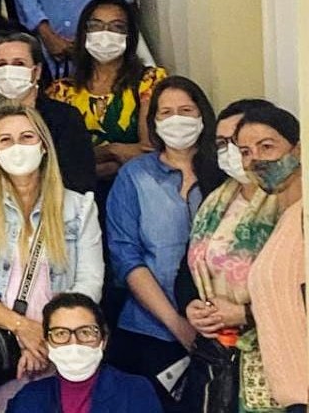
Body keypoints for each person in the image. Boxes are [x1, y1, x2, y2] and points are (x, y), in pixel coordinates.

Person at [0, 106, 103, 409]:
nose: (17, 146)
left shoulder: (80, 207)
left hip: (60, 348)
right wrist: (22, 330)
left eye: (27, 137)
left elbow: (90, 284)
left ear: (44, 145)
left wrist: (47, 337)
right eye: (6, 140)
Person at [105, 77, 224, 410]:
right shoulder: (134, 175)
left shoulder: (224, 176)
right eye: (166, 112)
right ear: (153, 121)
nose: (177, 120)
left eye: (185, 111)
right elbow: (126, 256)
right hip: (148, 330)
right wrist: (177, 324)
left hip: (220, 327)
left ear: (202, 115)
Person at [178, 99, 283, 412]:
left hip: (272, 350)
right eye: (222, 143)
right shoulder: (216, 199)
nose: (232, 152)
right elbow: (189, 269)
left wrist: (244, 314)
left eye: (237, 141)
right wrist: (192, 307)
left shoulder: (288, 200)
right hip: (218, 354)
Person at [46, 0, 167, 185]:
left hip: (137, 185)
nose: (105, 33)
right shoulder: (61, 91)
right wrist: (113, 150)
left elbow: (148, 151)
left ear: (129, 35)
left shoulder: (149, 81)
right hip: (78, 190)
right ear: (84, 33)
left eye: (116, 27)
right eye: (96, 25)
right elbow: (57, 160)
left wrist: (88, 160)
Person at [241, 106, 307, 411]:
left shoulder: (304, 217)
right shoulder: (282, 221)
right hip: (290, 396)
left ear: (298, 148)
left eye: (266, 146)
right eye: (245, 151)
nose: (256, 159)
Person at [7, 293, 164, 413]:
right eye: (61, 334)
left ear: (103, 340)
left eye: (85, 332)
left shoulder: (135, 391)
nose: (74, 343)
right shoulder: (28, 399)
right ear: (47, 342)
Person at [0, 32, 97, 194]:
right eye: (2, 64)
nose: (9, 70)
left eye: (19, 64)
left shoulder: (65, 119)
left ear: (37, 71)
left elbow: (80, 181)